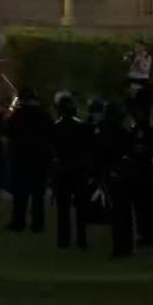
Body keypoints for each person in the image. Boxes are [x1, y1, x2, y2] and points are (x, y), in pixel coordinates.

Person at [3, 88, 52, 232]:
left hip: (21, 158)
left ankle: (18, 222)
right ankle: (38, 224)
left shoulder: (18, 115)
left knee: (20, 193)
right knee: (38, 194)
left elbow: (8, 132)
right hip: (40, 159)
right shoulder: (45, 116)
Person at [96, 100, 137, 257]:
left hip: (113, 174)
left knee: (118, 212)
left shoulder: (104, 133)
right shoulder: (123, 132)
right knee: (125, 212)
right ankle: (125, 246)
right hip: (123, 174)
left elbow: (99, 156)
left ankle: (120, 247)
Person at [51, 91, 92, 248]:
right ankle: (82, 239)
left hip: (63, 170)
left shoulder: (56, 128)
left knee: (63, 208)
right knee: (81, 207)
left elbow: (52, 149)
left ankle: (63, 239)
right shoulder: (84, 128)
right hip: (79, 170)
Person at [129, 88, 153, 247]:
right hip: (146, 166)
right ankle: (151, 233)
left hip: (145, 166)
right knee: (148, 201)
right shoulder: (147, 123)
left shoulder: (145, 123)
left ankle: (150, 233)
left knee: (146, 202)